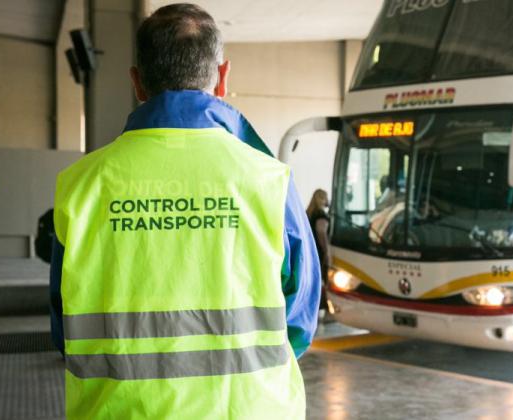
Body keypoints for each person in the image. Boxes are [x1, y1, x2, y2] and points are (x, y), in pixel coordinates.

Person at [49, 4, 321, 419]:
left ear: (137, 83)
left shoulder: (79, 185)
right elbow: (300, 322)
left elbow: (63, 329)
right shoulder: (270, 180)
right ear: (223, 77)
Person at [306, 189, 331, 317]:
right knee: (326, 280)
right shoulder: (321, 215)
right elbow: (321, 232)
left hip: (309, 252)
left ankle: (310, 310)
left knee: (312, 281)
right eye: (326, 198)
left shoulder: (308, 213)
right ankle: (328, 310)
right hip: (319, 252)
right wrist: (327, 251)